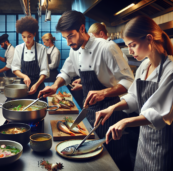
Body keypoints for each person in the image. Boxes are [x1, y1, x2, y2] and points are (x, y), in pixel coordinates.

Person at [38, 11, 134, 171]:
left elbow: (129, 81)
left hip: (111, 113)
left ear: (82, 28)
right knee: (94, 159)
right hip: (89, 111)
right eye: (65, 38)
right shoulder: (74, 50)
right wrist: (55, 86)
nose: (68, 42)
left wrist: (103, 93)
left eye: (71, 36)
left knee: (114, 158)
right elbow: (66, 73)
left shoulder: (107, 47)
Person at [94, 16, 173, 171]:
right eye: (128, 46)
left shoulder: (172, 71)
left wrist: (125, 122)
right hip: (145, 140)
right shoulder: (145, 65)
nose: (130, 51)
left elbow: (159, 115)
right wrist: (112, 108)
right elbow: (134, 97)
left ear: (149, 38)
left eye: (133, 45)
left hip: (166, 143)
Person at [73, 22, 129, 88]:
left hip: (115, 92)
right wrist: (84, 81)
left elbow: (114, 80)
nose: (90, 40)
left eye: (92, 37)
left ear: (101, 34)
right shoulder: (97, 50)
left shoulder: (111, 48)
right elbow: (100, 74)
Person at [11, 16, 49, 100]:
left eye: (29, 36)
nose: (26, 40)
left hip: (39, 87)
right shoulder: (18, 48)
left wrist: (36, 84)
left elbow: (44, 71)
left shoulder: (41, 48)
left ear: (34, 34)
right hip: (23, 88)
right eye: (23, 36)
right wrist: (24, 76)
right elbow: (15, 68)